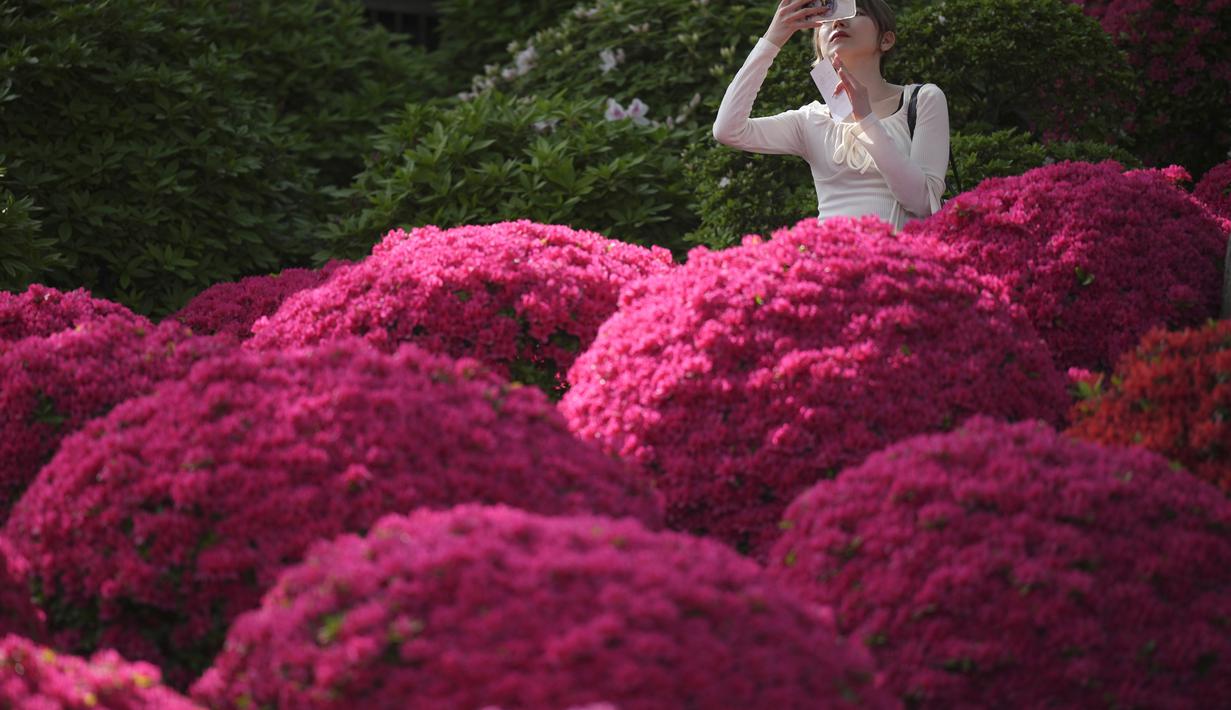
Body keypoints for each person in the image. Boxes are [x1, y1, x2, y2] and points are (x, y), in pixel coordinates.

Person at [712, 0, 950, 231]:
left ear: (886, 40)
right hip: (830, 266)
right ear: (820, 52)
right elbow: (728, 130)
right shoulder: (811, 120)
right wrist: (773, 38)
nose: (838, 23)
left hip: (901, 266)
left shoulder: (922, 100)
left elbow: (922, 204)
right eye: (827, 21)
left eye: (856, 13)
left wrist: (865, 119)